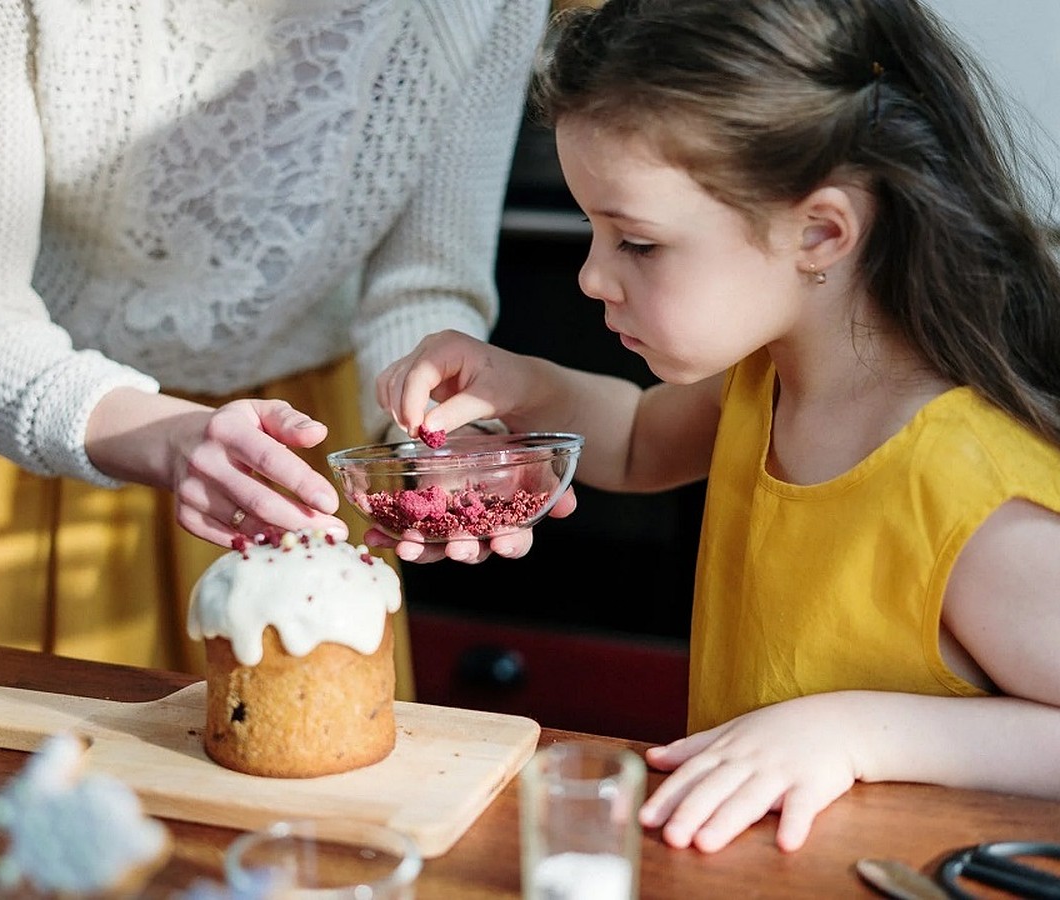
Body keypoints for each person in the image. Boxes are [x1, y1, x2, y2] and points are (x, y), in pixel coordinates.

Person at [372, 0, 1060, 852]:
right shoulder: (762, 379)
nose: (592, 276)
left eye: (639, 243)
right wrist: (516, 384)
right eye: (594, 231)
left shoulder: (969, 492)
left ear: (819, 230)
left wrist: (855, 735)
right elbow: (630, 440)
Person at [0, 0, 550, 699]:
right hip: (33, 418)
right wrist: (162, 435)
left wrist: (439, 435)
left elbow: (423, 282)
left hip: (292, 442)